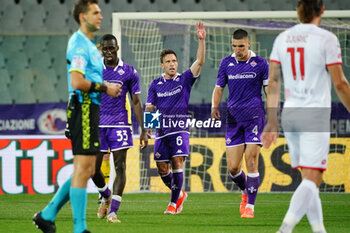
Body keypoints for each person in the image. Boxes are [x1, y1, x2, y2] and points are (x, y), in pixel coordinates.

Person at [261, 0, 350, 232]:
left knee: (308, 180)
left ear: (299, 11)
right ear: (321, 10)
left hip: (290, 113)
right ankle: (285, 228)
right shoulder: (327, 39)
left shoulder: (282, 38)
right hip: (315, 115)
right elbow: (340, 83)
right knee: (313, 179)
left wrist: (272, 120)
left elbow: (273, 82)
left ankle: (319, 230)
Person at [33, 1, 121, 233]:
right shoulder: (80, 45)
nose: (101, 16)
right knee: (84, 169)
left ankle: (47, 215)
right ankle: (79, 228)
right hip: (82, 107)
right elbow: (77, 82)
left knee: (86, 168)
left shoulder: (90, 46)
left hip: (90, 109)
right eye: (96, 12)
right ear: (83, 16)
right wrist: (106, 88)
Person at [145, 22, 206, 215]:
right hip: (162, 131)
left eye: (174, 61)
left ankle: (172, 204)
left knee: (177, 161)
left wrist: (201, 40)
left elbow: (199, 62)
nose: (172, 64)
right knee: (162, 168)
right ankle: (179, 193)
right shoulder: (155, 84)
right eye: (168, 62)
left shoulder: (184, 79)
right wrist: (148, 128)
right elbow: (150, 106)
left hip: (179, 128)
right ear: (162, 65)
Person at [211, 29, 269, 218]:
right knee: (234, 169)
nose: (237, 50)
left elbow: (269, 90)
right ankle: (246, 192)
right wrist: (214, 106)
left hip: (254, 117)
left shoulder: (260, 63)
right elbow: (219, 88)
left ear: (249, 43)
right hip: (234, 119)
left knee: (251, 161)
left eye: (241, 46)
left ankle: (250, 207)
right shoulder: (226, 63)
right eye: (234, 46)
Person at [92, 34, 148, 223]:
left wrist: (143, 129)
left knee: (120, 166)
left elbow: (136, 102)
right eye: (105, 49)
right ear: (101, 49)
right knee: (92, 169)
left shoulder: (129, 72)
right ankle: (105, 195)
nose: (109, 52)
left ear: (117, 48)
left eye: (112, 48)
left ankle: (113, 212)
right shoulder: (94, 69)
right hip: (98, 123)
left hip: (120, 123)